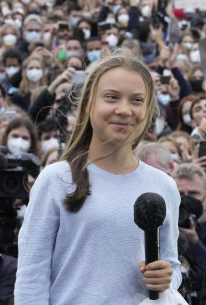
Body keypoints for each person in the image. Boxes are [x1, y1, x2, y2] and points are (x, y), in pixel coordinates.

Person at [14, 49, 181, 303]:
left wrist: (166, 276)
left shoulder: (164, 185)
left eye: (137, 100)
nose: (124, 110)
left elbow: (172, 265)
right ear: (89, 103)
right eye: (112, 97)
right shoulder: (55, 179)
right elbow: (31, 279)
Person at [172, 163, 206, 303]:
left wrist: (195, 244)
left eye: (194, 194)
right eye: (180, 194)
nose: (186, 199)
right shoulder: (162, 227)